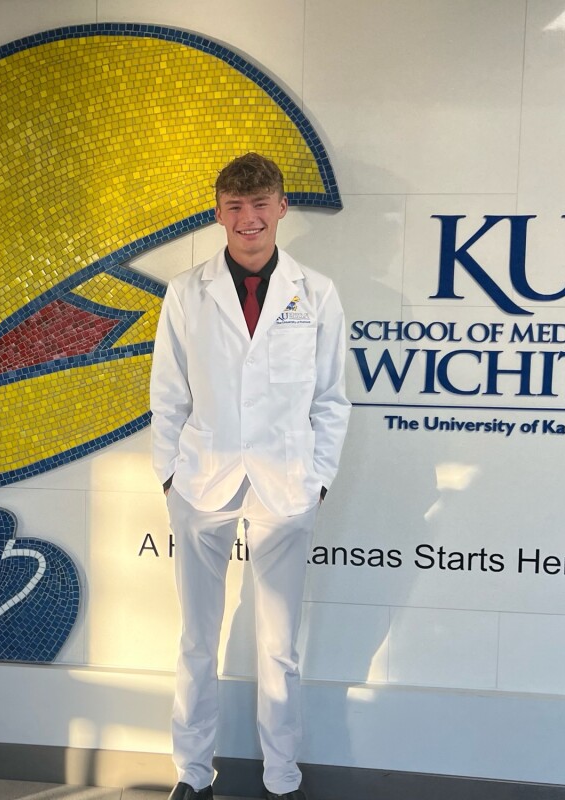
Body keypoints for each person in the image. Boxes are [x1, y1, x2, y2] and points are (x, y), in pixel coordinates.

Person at [150, 153, 351, 800]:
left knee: (279, 646)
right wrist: (169, 479)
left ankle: (282, 778)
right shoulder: (187, 292)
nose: (248, 218)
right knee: (196, 639)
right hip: (201, 481)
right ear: (218, 213)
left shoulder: (316, 293)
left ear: (281, 207)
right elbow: (168, 396)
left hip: (285, 485)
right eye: (235, 206)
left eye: (260, 204)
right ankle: (192, 774)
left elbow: (331, 398)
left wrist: (318, 481)